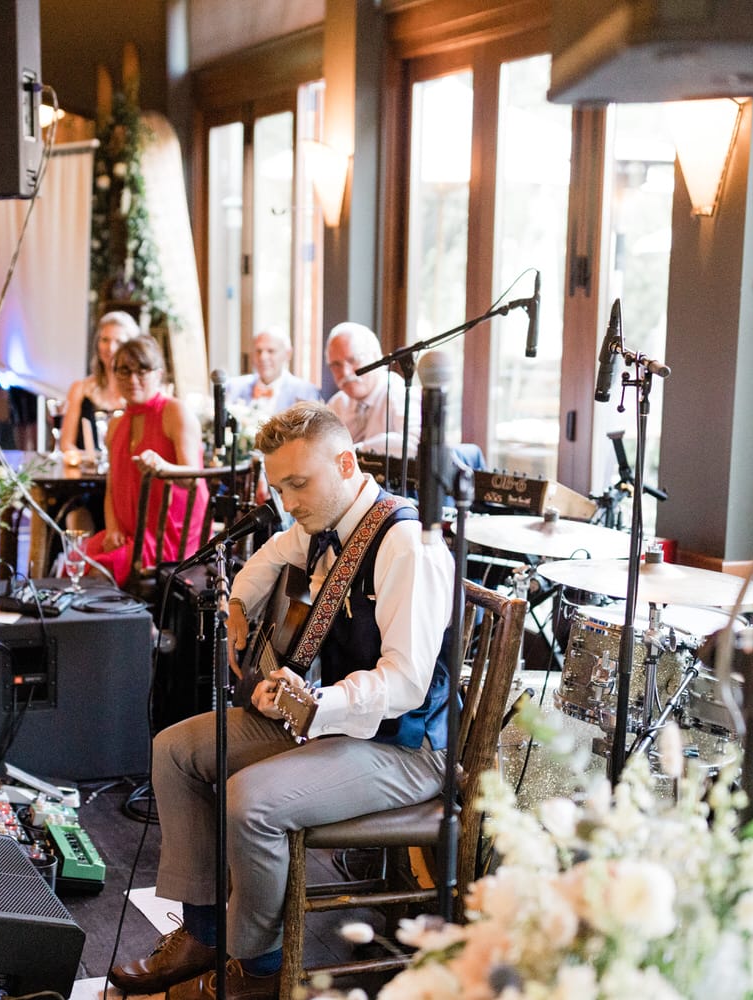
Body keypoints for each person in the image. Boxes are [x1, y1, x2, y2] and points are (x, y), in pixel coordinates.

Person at [108, 401, 454, 1000]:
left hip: (405, 746)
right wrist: (240, 604)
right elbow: (268, 556)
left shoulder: (406, 545)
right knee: (175, 750)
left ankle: (258, 972)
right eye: (280, 486)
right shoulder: (324, 521)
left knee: (253, 802)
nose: (288, 502)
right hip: (332, 720)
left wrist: (317, 701)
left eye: (299, 483)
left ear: (346, 463)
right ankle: (205, 933)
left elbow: (405, 683)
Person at [82, 334, 207, 587]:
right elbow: (111, 487)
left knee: (97, 576)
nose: (133, 379)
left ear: (158, 373)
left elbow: (195, 482)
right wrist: (113, 527)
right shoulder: (116, 423)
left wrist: (164, 468)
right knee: (77, 560)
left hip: (166, 537)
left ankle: (130, 626)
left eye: (142, 371)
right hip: (128, 535)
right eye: (124, 371)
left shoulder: (174, 412)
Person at [324, 321, 419, 457]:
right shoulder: (337, 404)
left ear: (376, 356)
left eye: (353, 360)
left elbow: (413, 445)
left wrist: (359, 450)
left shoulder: (400, 393)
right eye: (336, 365)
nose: (345, 372)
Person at [61, 310, 139, 458]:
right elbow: (66, 444)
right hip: (87, 476)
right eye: (105, 340)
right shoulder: (80, 389)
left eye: (119, 342)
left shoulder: (138, 393)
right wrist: (89, 461)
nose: (110, 348)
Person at [229, 328, 321, 412]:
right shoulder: (233, 387)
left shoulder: (305, 391)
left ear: (287, 354)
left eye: (271, 351)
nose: (263, 357)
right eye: (258, 351)